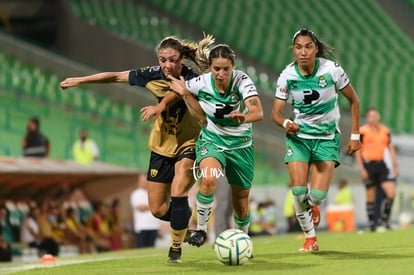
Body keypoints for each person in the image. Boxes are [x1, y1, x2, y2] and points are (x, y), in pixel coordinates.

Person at [60, 34, 215, 263]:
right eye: (163, 60)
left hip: (190, 142)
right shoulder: (150, 74)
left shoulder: (194, 79)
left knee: (179, 188)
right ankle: (183, 222)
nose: (167, 65)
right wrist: (80, 80)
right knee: (158, 209)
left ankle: (175, 248)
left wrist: (160, 106)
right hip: (161, 145)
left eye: (172, 60)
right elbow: (114, 76)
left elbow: (188, 105)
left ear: (182, 59)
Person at [271, 28, 361, 251]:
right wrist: (285, 123)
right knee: (299, 190)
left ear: (316, 49)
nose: (303, 52)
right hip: (299, 138)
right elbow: (275, 113)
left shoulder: (332, 70)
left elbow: (354, 101)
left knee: (317, 195)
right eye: (298, 47)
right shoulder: (287, 76)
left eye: (308, 46)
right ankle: (310, 238)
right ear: (293, 50)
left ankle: (314, 206)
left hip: (326, 138)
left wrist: (356, 135)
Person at [169, 43, 264, 247]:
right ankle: (201, 230)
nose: (221, 74)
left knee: (240, 202)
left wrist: (244, 117)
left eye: (226, 69)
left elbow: (258, 112)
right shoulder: (201, 82)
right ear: (210, 68)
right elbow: (181, 91)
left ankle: (244, 240)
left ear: (233, 67)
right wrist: (169, 100)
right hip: (213, 140)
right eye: (216, 69)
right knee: (209, 179)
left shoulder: (242, 81)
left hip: (241, 145)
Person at [354, 108, 398, 232]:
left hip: (381, 164)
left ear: (378, 117)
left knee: (391, 192)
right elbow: (357, 150)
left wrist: (395, 165)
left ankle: (385, 219)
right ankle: (372, 224)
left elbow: (390, 148)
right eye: (370, 116)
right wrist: (361, 168)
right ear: (367, 118)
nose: (372, 118)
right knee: (370, 195)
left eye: (375, 115)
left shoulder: (385, 130)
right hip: (368, 165)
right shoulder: (363, 131)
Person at [130, 174, 160, 248]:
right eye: (142, 181)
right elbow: (140, 208)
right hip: (142, 226)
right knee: (141, 247)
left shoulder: (153, 192)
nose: (144, 183)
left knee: (151, 248)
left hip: (153, 226)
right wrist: (153, 206)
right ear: (139, 182)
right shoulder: (136, 194)